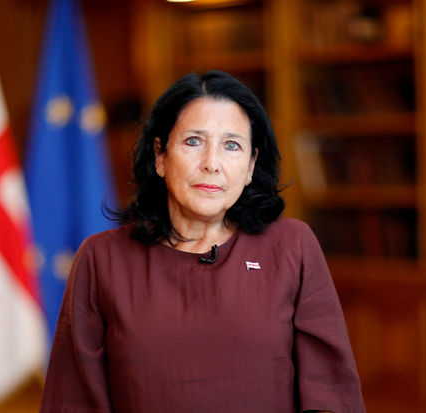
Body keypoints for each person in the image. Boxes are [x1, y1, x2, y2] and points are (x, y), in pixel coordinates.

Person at [40, 70, 365, 413]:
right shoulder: (101, 258)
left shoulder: (292, 246)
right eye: (194, 141)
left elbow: (331, 395)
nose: (211, 164)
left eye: (231, 145)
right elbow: (72, 402)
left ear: (251, 166)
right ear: (160, 155)